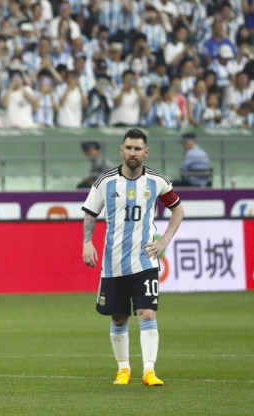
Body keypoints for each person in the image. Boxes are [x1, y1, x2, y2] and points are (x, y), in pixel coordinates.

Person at [81, 128, 184, 386]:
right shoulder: (105, 181)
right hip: (113, 262)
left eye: (138, 149)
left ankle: (149, 371)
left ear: (146, 152)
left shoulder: (157, 181)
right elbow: (90, 214)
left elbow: (178, 210)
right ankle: (123, 369)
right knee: (119, 317)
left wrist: (164, 240)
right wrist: (86, 242)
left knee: (147, 313)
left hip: (145, 260)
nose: (133, 153)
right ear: (122, 150)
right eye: (129, 148)